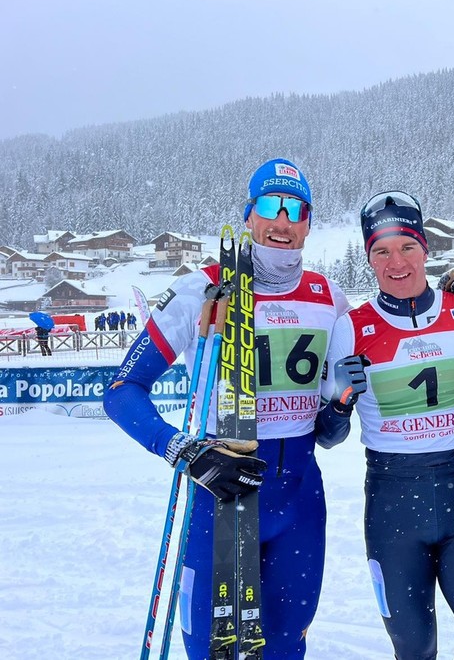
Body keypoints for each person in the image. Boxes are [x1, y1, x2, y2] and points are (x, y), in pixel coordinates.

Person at [104, 157, 350, 659]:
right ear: (248, 215)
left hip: (300, 501)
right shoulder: (202, 289)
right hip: (219, 495)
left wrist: (341, 410)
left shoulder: (331, 300)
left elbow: (328, 433)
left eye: (295, 210)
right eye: (269, 206)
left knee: (284, 648)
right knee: (209, 649)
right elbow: (122, 390)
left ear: (308, 222)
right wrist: (181, 450)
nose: (281, 223)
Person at [316, 191, 454, 659]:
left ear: (425, 248)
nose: (397, 262)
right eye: (381, 251)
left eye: (407, 246)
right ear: (369, 257)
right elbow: (328, 436)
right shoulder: (351, 328)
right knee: (414, 649)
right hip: (393, 509)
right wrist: (342, 401)